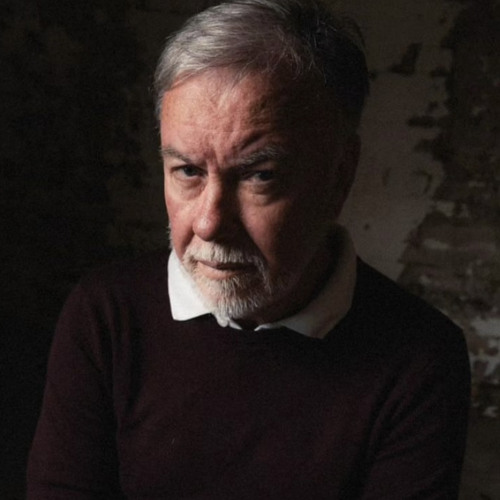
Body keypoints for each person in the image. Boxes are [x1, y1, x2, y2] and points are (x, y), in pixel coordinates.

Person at [27, 0, 470, 498]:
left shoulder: (420, 358)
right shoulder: (106, 314)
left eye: (260, 176)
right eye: (188, 171)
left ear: (339, 175)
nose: (210, 223)